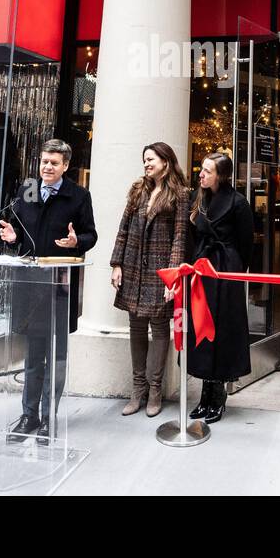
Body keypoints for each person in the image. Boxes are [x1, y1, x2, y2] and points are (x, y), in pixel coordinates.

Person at [0, 138, 96, 443]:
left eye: (54, 163)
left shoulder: (78, 196)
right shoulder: (27, 190)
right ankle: (29, 415)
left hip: (58, 285)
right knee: (32, 354)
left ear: (66, 166)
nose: (47, 167)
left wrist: (75, 242)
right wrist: (12, 238)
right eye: (43, 162)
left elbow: (91, 234)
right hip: (29, 283)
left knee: (55, 356)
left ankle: (48, 416)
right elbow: (15, 229)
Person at [110, 142, 189, 417]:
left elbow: (180, 237)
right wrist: (116, 263)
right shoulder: (138, 190)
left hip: (160, 270)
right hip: (133, 267)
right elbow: (123, 229)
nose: (146, 163)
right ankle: (137, 389)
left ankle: (155, 389)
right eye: (144, 159)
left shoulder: (180, 194)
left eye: (151, 159)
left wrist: (173, 275)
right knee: (136, 325)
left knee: (159, 327)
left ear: (166, 161)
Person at [186, 152, 254, 424]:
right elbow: (193, 235)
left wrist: (235, 270)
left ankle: (219, 397)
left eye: (207, 171)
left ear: (221, 176)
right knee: (203, 329)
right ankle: (205, 396)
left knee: (223, 330)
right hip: (202, 269)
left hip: (226, 271)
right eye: (201, 169)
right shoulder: (198, 198)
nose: (201, 174)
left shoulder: (238, 203)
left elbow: (246, 244)